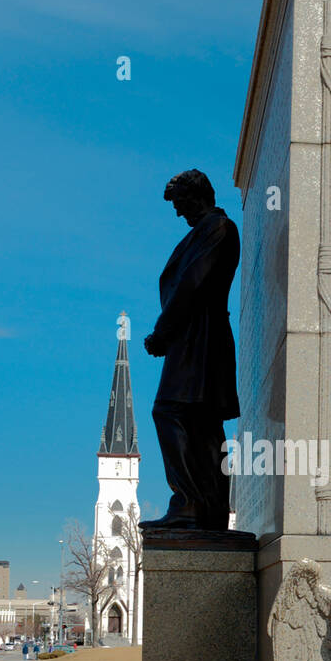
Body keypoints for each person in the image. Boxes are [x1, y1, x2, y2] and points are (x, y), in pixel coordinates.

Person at [143, 169, 240, 530]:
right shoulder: (206, 231)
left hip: (198, 341)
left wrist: (162, 332)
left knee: (171, 411)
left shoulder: (217, 228)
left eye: (181, 202)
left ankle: (190, 502)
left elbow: (191, 284)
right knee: (202, 423)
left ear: (197, 195)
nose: (178, 212)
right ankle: (210, 506)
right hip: (197, 339)